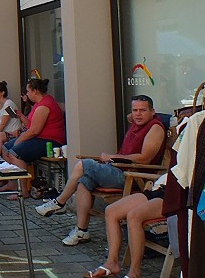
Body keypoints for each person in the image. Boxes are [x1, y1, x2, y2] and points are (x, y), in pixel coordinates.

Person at [35, 95, 167, 247]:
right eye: (135, 110)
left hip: (133, 176)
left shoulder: (155, 128)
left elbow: (145, 159)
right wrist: (133, 116)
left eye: (143, 110)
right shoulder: (138, 122)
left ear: (153, 111)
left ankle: (60, 202)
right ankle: (81, 231)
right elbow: (133, 117)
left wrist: (112, 156)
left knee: (84, 164)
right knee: (84, 182)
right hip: (118, 169)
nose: (138, 114)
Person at [82, 173, 168, 278]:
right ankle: (111, 263)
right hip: (160, 188)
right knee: (111, 211)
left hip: (174, 195)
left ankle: (135, 272)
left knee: (134, 216)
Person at [2, 78, 66, 169]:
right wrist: (21, 116)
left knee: (13, 153)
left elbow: (34, 131)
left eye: (28, 91)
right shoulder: (38, 104)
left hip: (49, 140)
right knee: (5, 149)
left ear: (35, 91)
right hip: (38, 138)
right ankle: (11, 181)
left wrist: (19, 140)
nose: (27, 94)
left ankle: (24, 182)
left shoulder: (44, 105)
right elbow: (30, 124)